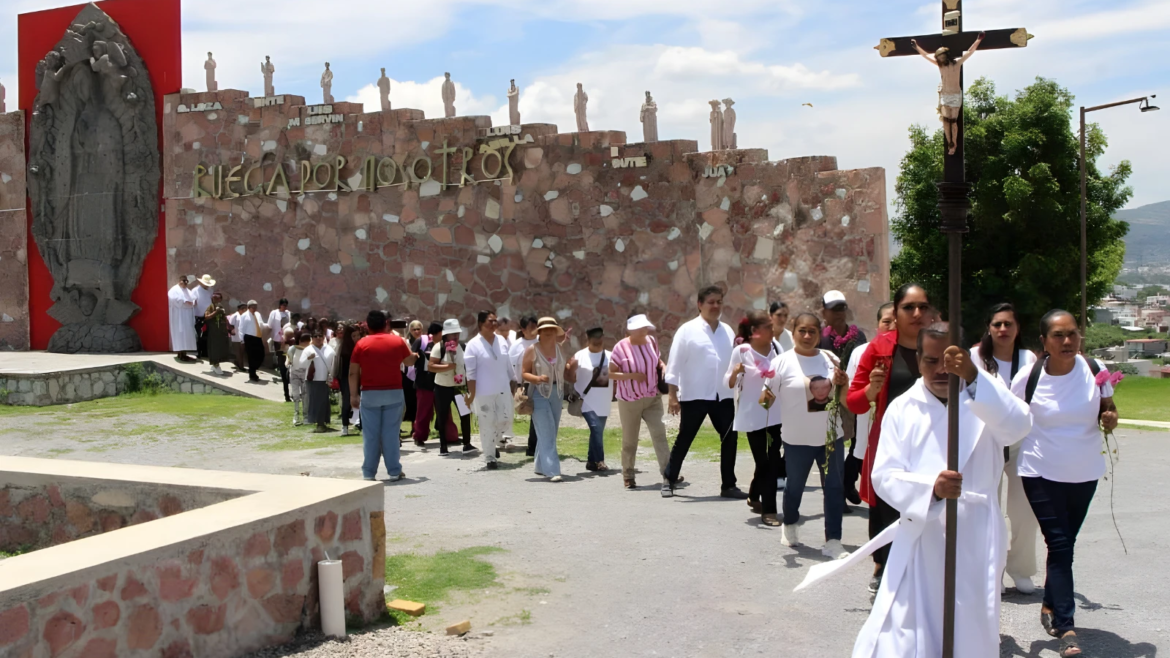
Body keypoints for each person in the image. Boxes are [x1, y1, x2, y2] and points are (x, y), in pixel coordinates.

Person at [800, 322, 1033, 658]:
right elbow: (884, 475)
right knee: (912, 630)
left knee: (971, 626)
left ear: (965, 358)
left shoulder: (985, 396)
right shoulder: (903, 408)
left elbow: (1018, 426)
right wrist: (931, 488)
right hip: (925, 533)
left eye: (949, 360)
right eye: (929, 360)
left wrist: (974, 378)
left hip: (977, 533)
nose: (940, 369)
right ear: (918, 360)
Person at [1012, 310, 1118, 658]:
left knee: (1065, 543)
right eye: (1058, 335)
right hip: (1039, 470)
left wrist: (1110, 418)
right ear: (1043, 342)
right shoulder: (1029, 377)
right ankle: (1066, 625)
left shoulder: (1095, 369)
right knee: (1059, 543)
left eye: (1072, 334)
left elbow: (1108, 408)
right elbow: (1010, 416)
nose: (1067, 341)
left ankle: (1049, 604)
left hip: (1085, 471)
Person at [847, 282, 932, 594]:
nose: (917, 313)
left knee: (926, 509)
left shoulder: (939, 345)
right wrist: (872, 389)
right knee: (886, 508)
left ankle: (922, 570)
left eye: (923, 307)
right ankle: (883, 566)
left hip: (930, 445)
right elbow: (853, 401)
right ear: (895, 313)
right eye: (909, 307)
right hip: (889, 444)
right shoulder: (880, 348)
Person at [969, 302, 1039, 594]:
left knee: (1025, 510)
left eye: (1008, 324)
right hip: (987, 439)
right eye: (997, 324)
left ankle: (1021, 569)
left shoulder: (1029, 358)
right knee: (989, 509)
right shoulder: (976, 358)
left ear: (1017, 328)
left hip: (1022, 440)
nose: (1002, 329)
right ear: (988, 328)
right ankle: (991, 570)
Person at [766, 313, 850, 557]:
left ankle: (833, 540)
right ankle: (790, 524)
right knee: (794, 488)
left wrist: (843, 382)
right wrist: (761, 392)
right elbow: (765, 402)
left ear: (819, 333)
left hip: (830, 438)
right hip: (797, 440)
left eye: (812, 331)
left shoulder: (830, 359)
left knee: (834, 488)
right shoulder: (781, 363)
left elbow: (843, 397)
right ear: (793, 333)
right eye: (801, 330)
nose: (806, 336)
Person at [663, 286, 742, 499]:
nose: (716, 306)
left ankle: (728, 485)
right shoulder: (687, 330)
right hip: (694, 395)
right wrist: (672, 395)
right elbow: (674, 364)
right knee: (685, 438)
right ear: (700, 304)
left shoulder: (728, 331)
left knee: (730, 439)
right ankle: (669, 479)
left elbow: (734, 362)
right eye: (711, 302)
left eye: (719, 302)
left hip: (722, 396)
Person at [726, 312, 782, 526]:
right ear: (754, 332)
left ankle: (755, 496)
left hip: (775, 412)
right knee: (764, 461)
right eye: (768, 326)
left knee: (772, 460)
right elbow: (727, 383)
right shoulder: (741, 352)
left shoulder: (776, 348)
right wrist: (735, 372)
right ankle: (769, 510)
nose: (773, 328)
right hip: (752, 415)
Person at [350, 310, 418, 481]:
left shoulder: (361, 344)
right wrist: (415, 354)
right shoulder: (397, 341)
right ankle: (394, 470)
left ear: (367, 325)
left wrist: (353, 395)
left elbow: (353, 372)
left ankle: (368, 472)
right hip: (394, 391)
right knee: (391, 433)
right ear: (386, 323)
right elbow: (409, 361)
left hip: (370, 392)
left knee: (371, 435)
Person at [820, 290, 869, 513]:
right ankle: (837, 494)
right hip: (828, 398)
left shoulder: (858, 337)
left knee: (859, 442)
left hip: (853, 396)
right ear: (824, 312)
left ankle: (847, 484)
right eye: (834, 309)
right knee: (832, 445)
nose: (839, 313)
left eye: (842, 308)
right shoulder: (820, 338)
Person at [610, 313, 671, 490]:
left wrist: (663, 366)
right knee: (630, 439)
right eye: (642, 327)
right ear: (632, 330)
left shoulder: (651, 341)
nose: (646, 330)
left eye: (646, 327)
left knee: (660, 435)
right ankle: (628, 475)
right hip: (629, 399)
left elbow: (657, 359)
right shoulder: (620, 348)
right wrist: (631, 376)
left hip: (652, 397)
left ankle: (668, 473)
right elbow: (610, 373)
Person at [845, 302, 897, 499]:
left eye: (896, 321)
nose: (892, 325)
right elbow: (853, 389)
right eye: (886, 321)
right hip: (868, 419)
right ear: (877, 325)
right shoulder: (863, 351)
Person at [521, 317, 577, 481]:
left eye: (551, 329)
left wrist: (572, 367)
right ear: (539, 331)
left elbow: (565, 371)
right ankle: (553, 470)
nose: (548, 331)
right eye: (545, 329)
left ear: (555, 331)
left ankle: (540, 465)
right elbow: (524, 373)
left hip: (557, 393)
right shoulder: (532, 349)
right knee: (546, 431)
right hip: (538, 392)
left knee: (551, 431)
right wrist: (537, 378)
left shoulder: (560, 349)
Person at [467, 310, 516, 467]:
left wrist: (515, 382)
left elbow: (508, 363)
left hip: (503, 389)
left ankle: (494, 442)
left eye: (496, 321)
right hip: (484, 393)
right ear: (481, 323)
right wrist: (471, 395)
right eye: (490, 321)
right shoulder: (473, 345)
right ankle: (489, 457)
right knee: (487, 424)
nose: (494, 324)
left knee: (505, 419)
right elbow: (471, 374)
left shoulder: (501, 340)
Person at [429, 319, 474, 455]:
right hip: (443, 386)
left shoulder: (462, 347)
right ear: (446, 335)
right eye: (452, 333)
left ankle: (467, 443)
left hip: (459, 387)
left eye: (457, 333)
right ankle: (443, 446)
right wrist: (448, 366)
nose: (455, 336)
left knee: (465, 414)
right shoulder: (439, 347)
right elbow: (431, 366)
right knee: (442, 416)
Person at [574, 327, 613, 472]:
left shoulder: (611, 356)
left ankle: (590, 462)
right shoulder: (580, 355)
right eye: (594, 337)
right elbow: (570, 376)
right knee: (596, 428)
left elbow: (616, 375)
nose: (598, 340)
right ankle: (599, 460)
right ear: (588, 339)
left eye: (600, 337)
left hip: (603, 400)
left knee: (597, 432)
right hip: (586, 400)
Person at [509, 316, 540, 456]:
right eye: (531, 327)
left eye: (536, 326)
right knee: (526, 410)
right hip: (523, 384)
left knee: (538, 414)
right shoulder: (516, 345)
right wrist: (515, 385)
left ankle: (533, 446)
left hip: (539, 382)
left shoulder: (542, 341)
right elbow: (510, 367)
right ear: (523, 330)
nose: (534, 330)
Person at [300, 331, 335, 433]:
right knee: (315, 402)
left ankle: (323, 422)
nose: (318, 338)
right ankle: (319, 423)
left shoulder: (329, 349)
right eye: (316, 336)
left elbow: (334, 362)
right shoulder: (308, 350)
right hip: (313, 380)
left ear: (324, 337)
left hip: (325, 380)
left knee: (324, 402)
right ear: (312, 338)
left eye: (320, 336)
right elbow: (301, 365)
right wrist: (308, 359)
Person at [336, 323, 360, 437]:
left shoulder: (360, 347)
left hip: (360, 377)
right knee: (347, 401)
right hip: (347, 378)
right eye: (353, 336)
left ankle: (359, 423)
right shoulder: (345, 350)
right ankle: (344, 426)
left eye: (357, 335)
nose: (356, 338)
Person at [167, 276, 198, 362]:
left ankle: (185, 353)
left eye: (186, 282)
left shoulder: (187, 291)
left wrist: (193, 302)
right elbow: (173, 299)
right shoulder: (174, 290)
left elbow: (193, 298)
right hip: (178, 315)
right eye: (183, 282)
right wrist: (184, 301)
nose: (185, 284)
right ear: (180, 281)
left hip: (187, 316)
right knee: (180, 334)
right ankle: (180, 353)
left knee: (187, 333)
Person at [402, 321, 424, 436]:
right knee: (409, 401)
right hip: (407, 376)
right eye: (414, 329)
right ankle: (412, 426)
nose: (416, 331)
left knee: (420, 402)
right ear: (410, 330)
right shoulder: (405, 343)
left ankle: (419, 427)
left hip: (421, 375)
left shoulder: (425, 342)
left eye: (418, 329)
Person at [268, 299, 292, 402]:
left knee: (287, 356)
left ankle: (286, 373)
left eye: (286, 305)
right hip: (278, 339)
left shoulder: (288, 313)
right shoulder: (274, 313)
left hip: (287, 339)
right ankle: (282, 373)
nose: (284, 306)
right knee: (280, 358)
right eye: (283, 305)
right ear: (279, 305)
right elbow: (270, 325)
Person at [237, 300, 267, 382]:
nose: (254, 309)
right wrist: (242, 340)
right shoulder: (244, 316)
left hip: (258, 337)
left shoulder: (258, 314)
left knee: (261, 354)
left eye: (255, 307)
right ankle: (252, 374)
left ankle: (254, 369)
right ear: (248, 307)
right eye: (253, 307)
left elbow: (261, 324)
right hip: (249, 337)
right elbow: (241, 328)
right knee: (251, 357)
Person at [203, 292, 232, 376]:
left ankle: (216, 364)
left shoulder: (221, 307)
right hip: (213, 331)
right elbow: (206, 317)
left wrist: (228, 326)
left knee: (220, 348)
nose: (215, 299)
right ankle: (215, 364)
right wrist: (216, 312)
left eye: (217, 298)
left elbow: (224, 318)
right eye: (214, 297)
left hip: (220, 331)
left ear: (220, 299)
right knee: (214, 348)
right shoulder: (210, 307)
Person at [288, 332, 311, 426]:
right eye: (305, 341)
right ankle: (296, 416)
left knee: (305, 396)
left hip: (305, 374)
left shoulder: (309, 349)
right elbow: (289, 358)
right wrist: (288, 362)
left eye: (308, 341)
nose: (307, 343)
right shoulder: (292, 349)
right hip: (294, 374)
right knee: (296, 395)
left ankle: (306, 417)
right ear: (300, 341)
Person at [192, 275, 215, 360]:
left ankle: (205, 352)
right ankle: (198, 352)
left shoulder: (210, 290)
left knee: (207, 335)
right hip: (199, 316)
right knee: (199, 335)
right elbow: (193, 301)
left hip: (208, 316)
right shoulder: (195, 291)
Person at [229, 303, 248, 370]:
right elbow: (230, 325)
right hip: (236, 337)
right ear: (239, 309)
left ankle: (237, 362)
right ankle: (241, 366)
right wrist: (232, 331)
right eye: (243, 309)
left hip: (243, 336)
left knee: (242, 352)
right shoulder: (235, 316)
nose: (244, 310)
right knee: (238, 352)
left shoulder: (245, 316)